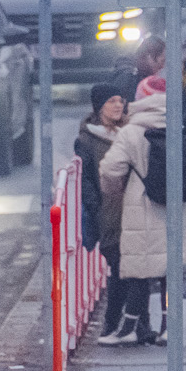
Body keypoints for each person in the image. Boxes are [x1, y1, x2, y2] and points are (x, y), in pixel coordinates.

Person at [96, 75, 186, 345]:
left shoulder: (131, 131)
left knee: (140, 270)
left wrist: (116, 190)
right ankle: (169, 327)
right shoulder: (181, 125)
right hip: (178, 205)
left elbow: (110, 170)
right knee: (170, 272)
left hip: (141, 204)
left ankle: (128, 328)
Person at [77, 85, 127, 338]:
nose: (118, 105)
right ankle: (112, 324)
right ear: (99, 106)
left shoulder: (128, 132)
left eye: (120, 100)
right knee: (118, 269)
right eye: (111, 101)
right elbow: (86, 180)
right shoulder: (87, 139)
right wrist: (97, 208)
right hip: (107, 213)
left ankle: (137, 324)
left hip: (131, 210)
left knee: (134, 271)